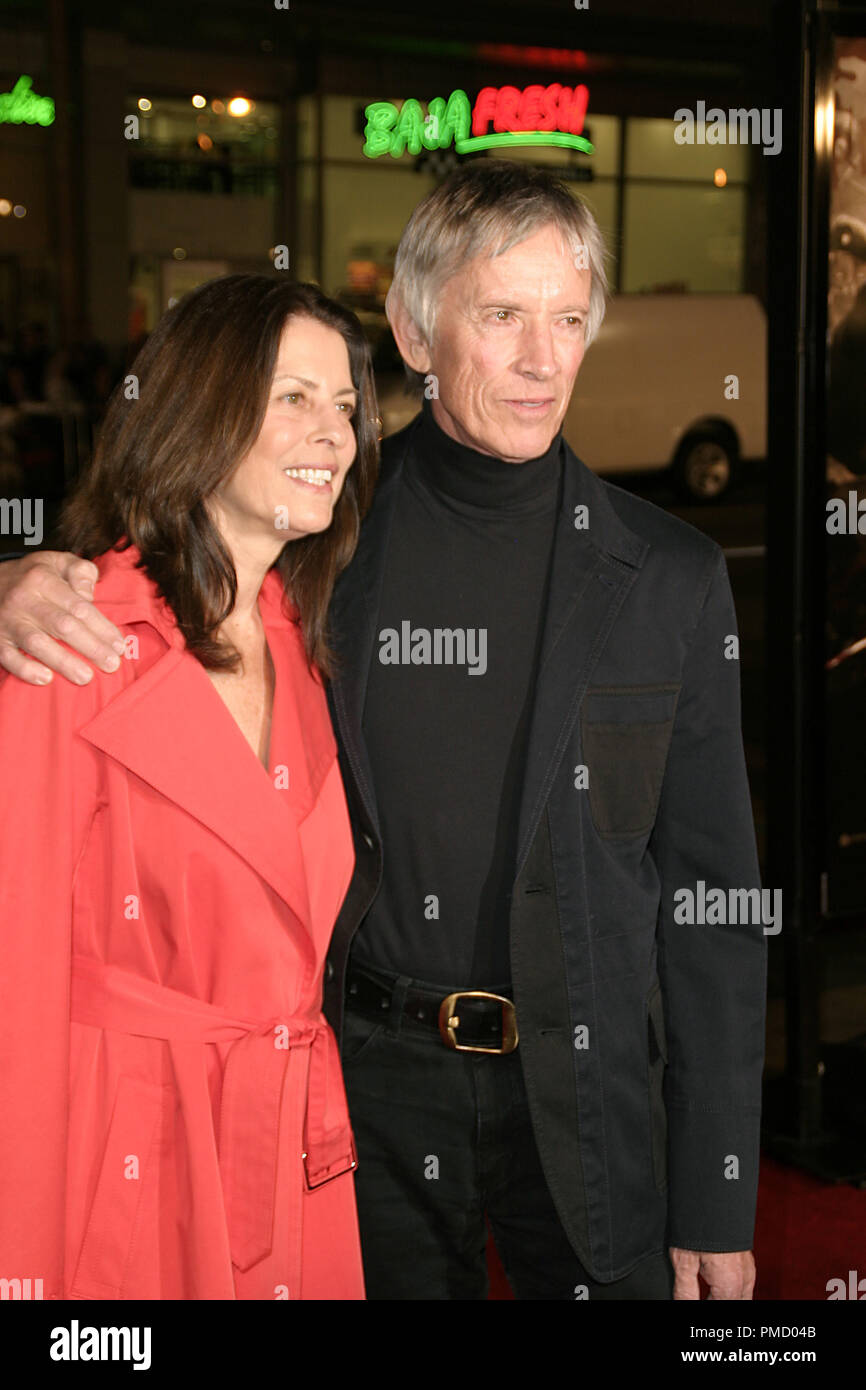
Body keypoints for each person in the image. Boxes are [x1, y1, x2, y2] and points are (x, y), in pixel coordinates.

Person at [0, 161, 766, 1302]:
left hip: (593, 1095)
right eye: (500, 315)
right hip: (361, 1101)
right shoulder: (319, 550)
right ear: (413, 329)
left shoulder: (670, 578)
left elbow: (712, 907)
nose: (540, 358)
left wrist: (716, 1189)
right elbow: (161, 567)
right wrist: (17, 580)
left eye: (566, 319)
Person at [0, 274, 378, 1299]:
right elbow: (14, 1004)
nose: (332, 434)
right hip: (130, 1181)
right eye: (293, 397)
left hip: (290, 1159)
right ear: (200, 411)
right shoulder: (73, 644)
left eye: (343, 406)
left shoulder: (300, 641)